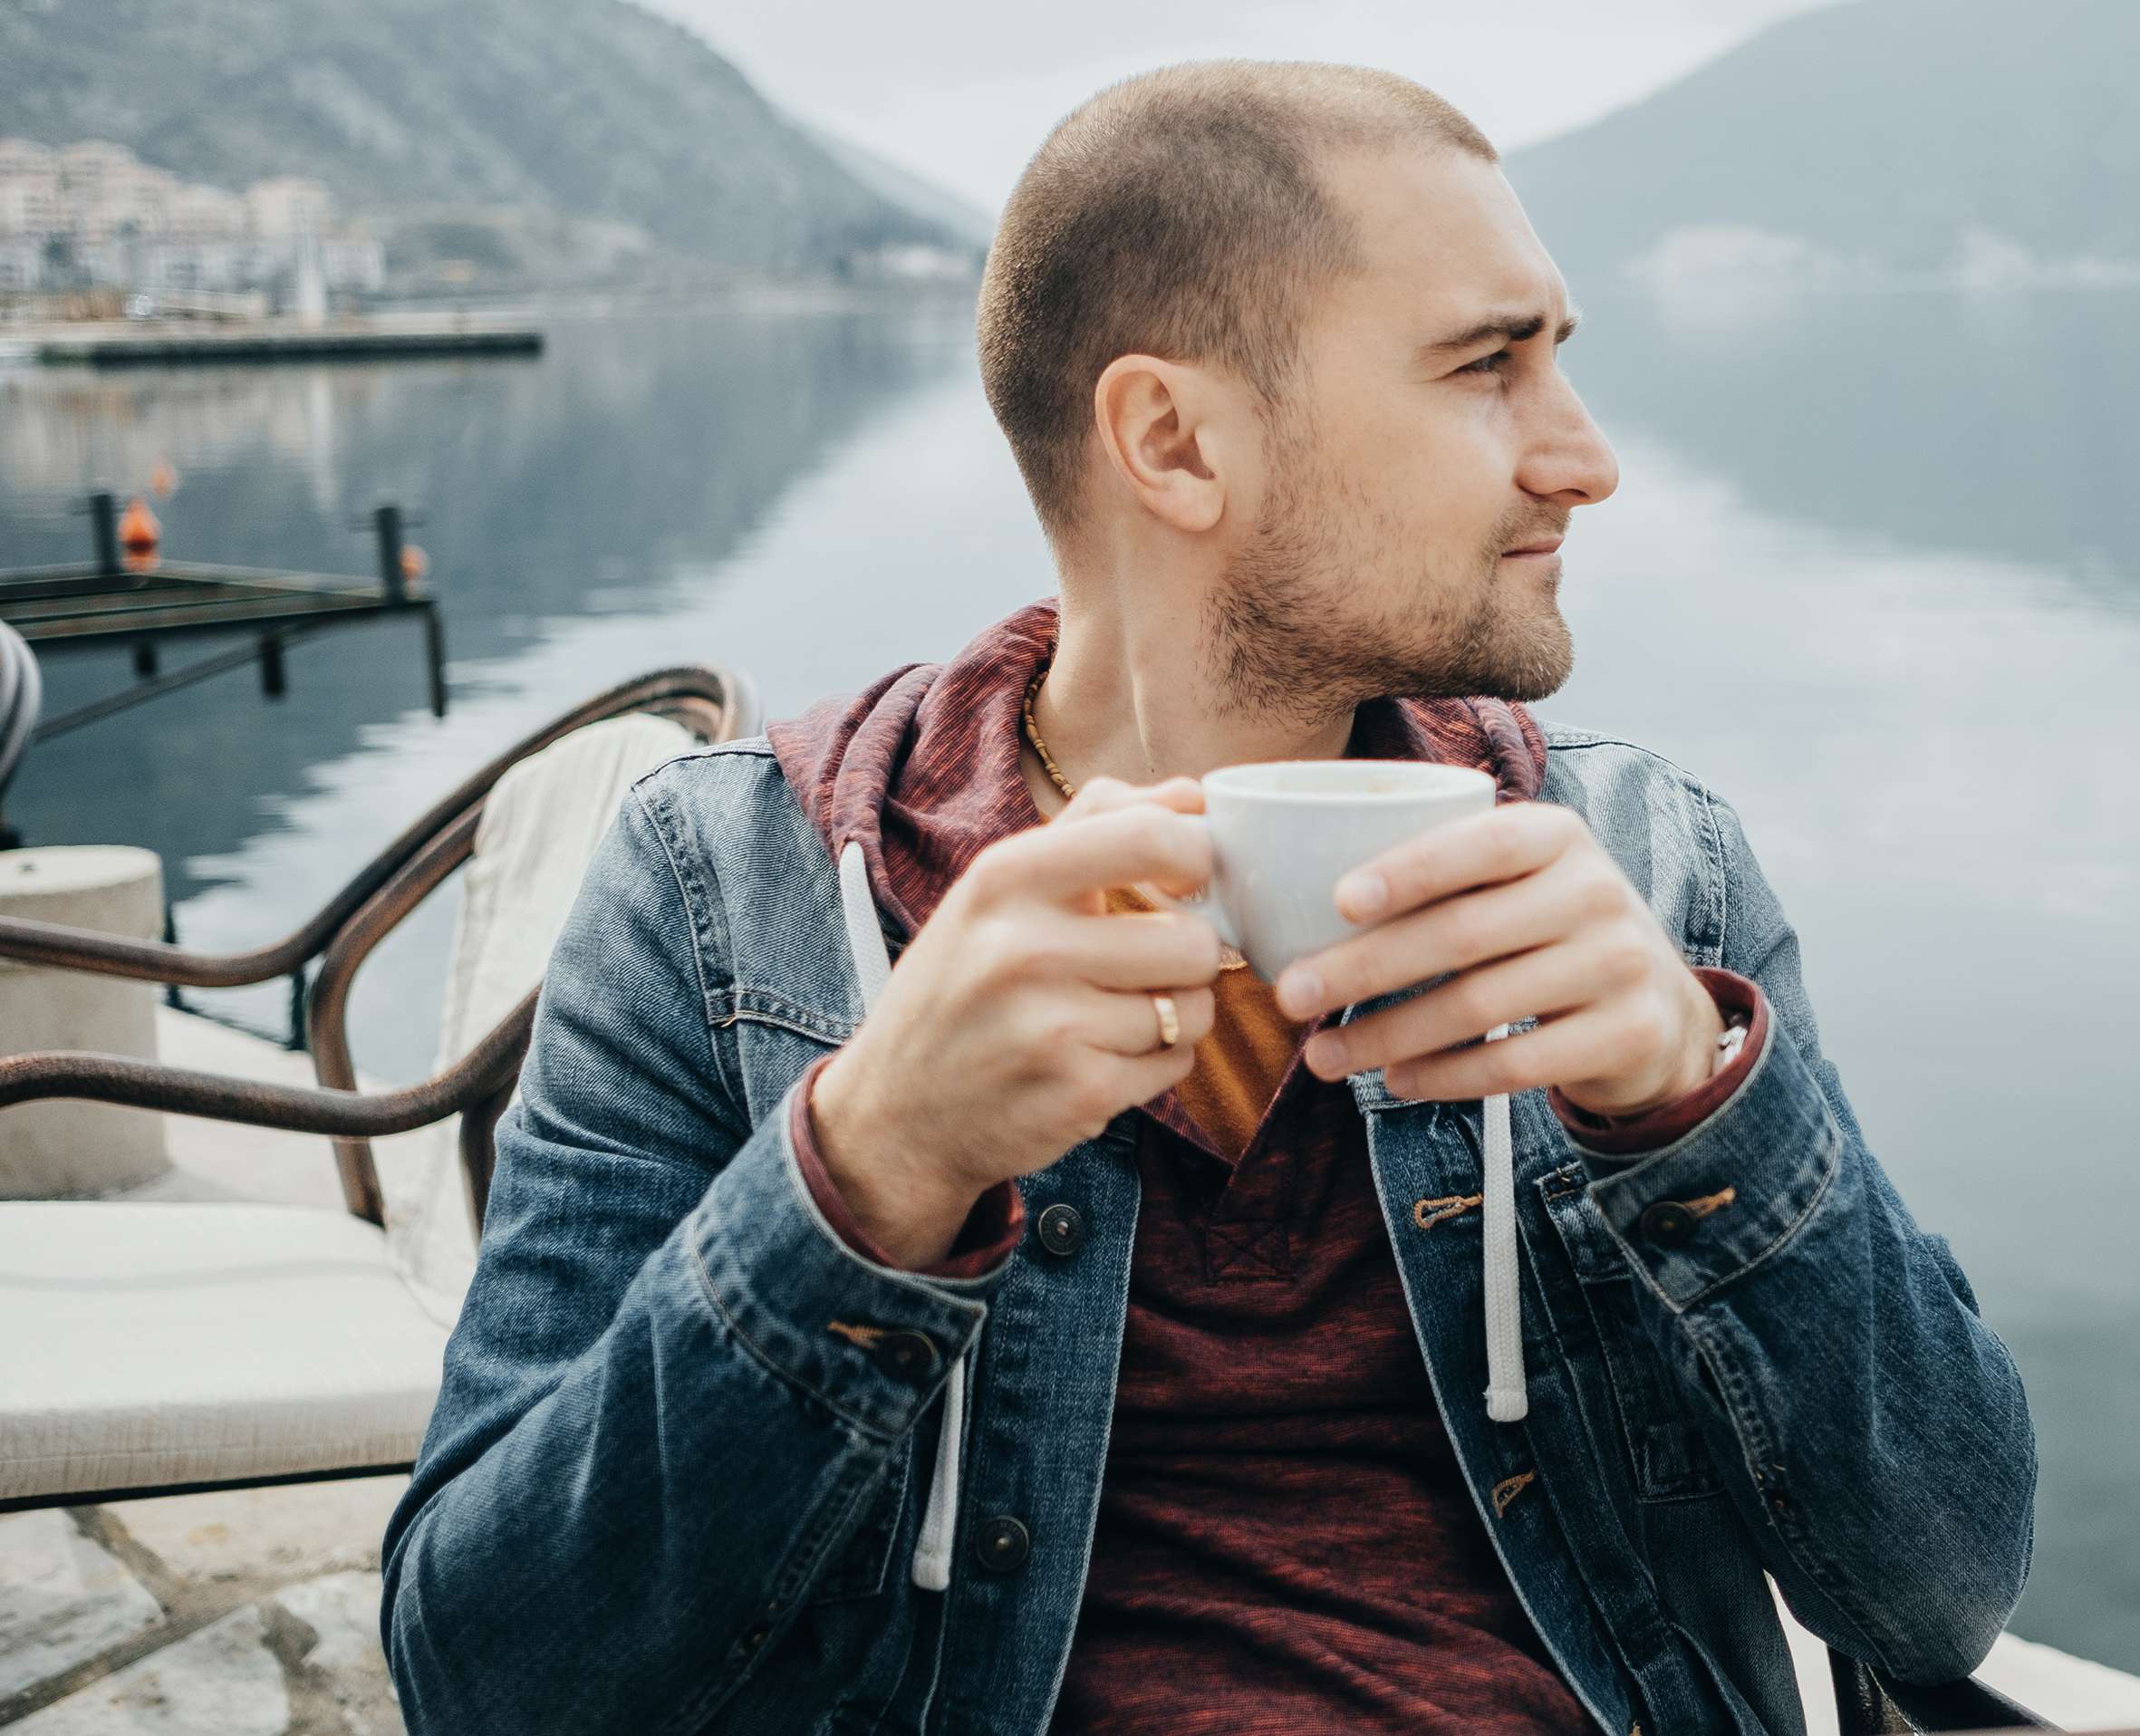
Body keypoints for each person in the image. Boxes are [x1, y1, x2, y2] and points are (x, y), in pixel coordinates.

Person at [379, 58, 2033, 1736]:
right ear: (1171, 442)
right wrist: (871, 1168)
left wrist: (1696, 1106)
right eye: (1486, 367)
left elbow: (1941, 1588)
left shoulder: (1643, 867)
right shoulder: (726, 896)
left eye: (1562, 364)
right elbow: (491, 1681)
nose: (1584, 460)